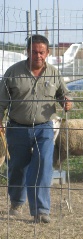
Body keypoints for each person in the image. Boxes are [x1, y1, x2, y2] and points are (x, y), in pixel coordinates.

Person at [0, 34, 73, 223]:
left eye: (41, 52)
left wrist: (66, 101)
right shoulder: (12, 73)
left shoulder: (54, 73)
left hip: (44, 127)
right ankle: (16, 202)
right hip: (17, 128)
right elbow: (1, 103)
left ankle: (41, 211)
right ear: (27, 51)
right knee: (17, 167)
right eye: (34, 52)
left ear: (48, 53)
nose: (38, 56)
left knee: (42, 165)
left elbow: (63, 94)